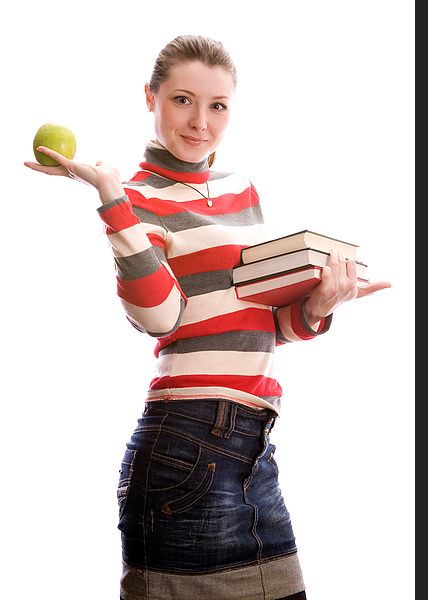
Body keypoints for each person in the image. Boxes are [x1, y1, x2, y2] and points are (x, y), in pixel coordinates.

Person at [24, 34, 390, 600]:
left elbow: (256, 322)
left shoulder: (242, 189)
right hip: (185, 445)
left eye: (217, 106)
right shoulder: (136, 195)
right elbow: (160, 317)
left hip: (255, 451)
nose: (200, 122)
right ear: (151, 97)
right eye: (183, 100)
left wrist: (317, 307)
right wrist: (110, 200)